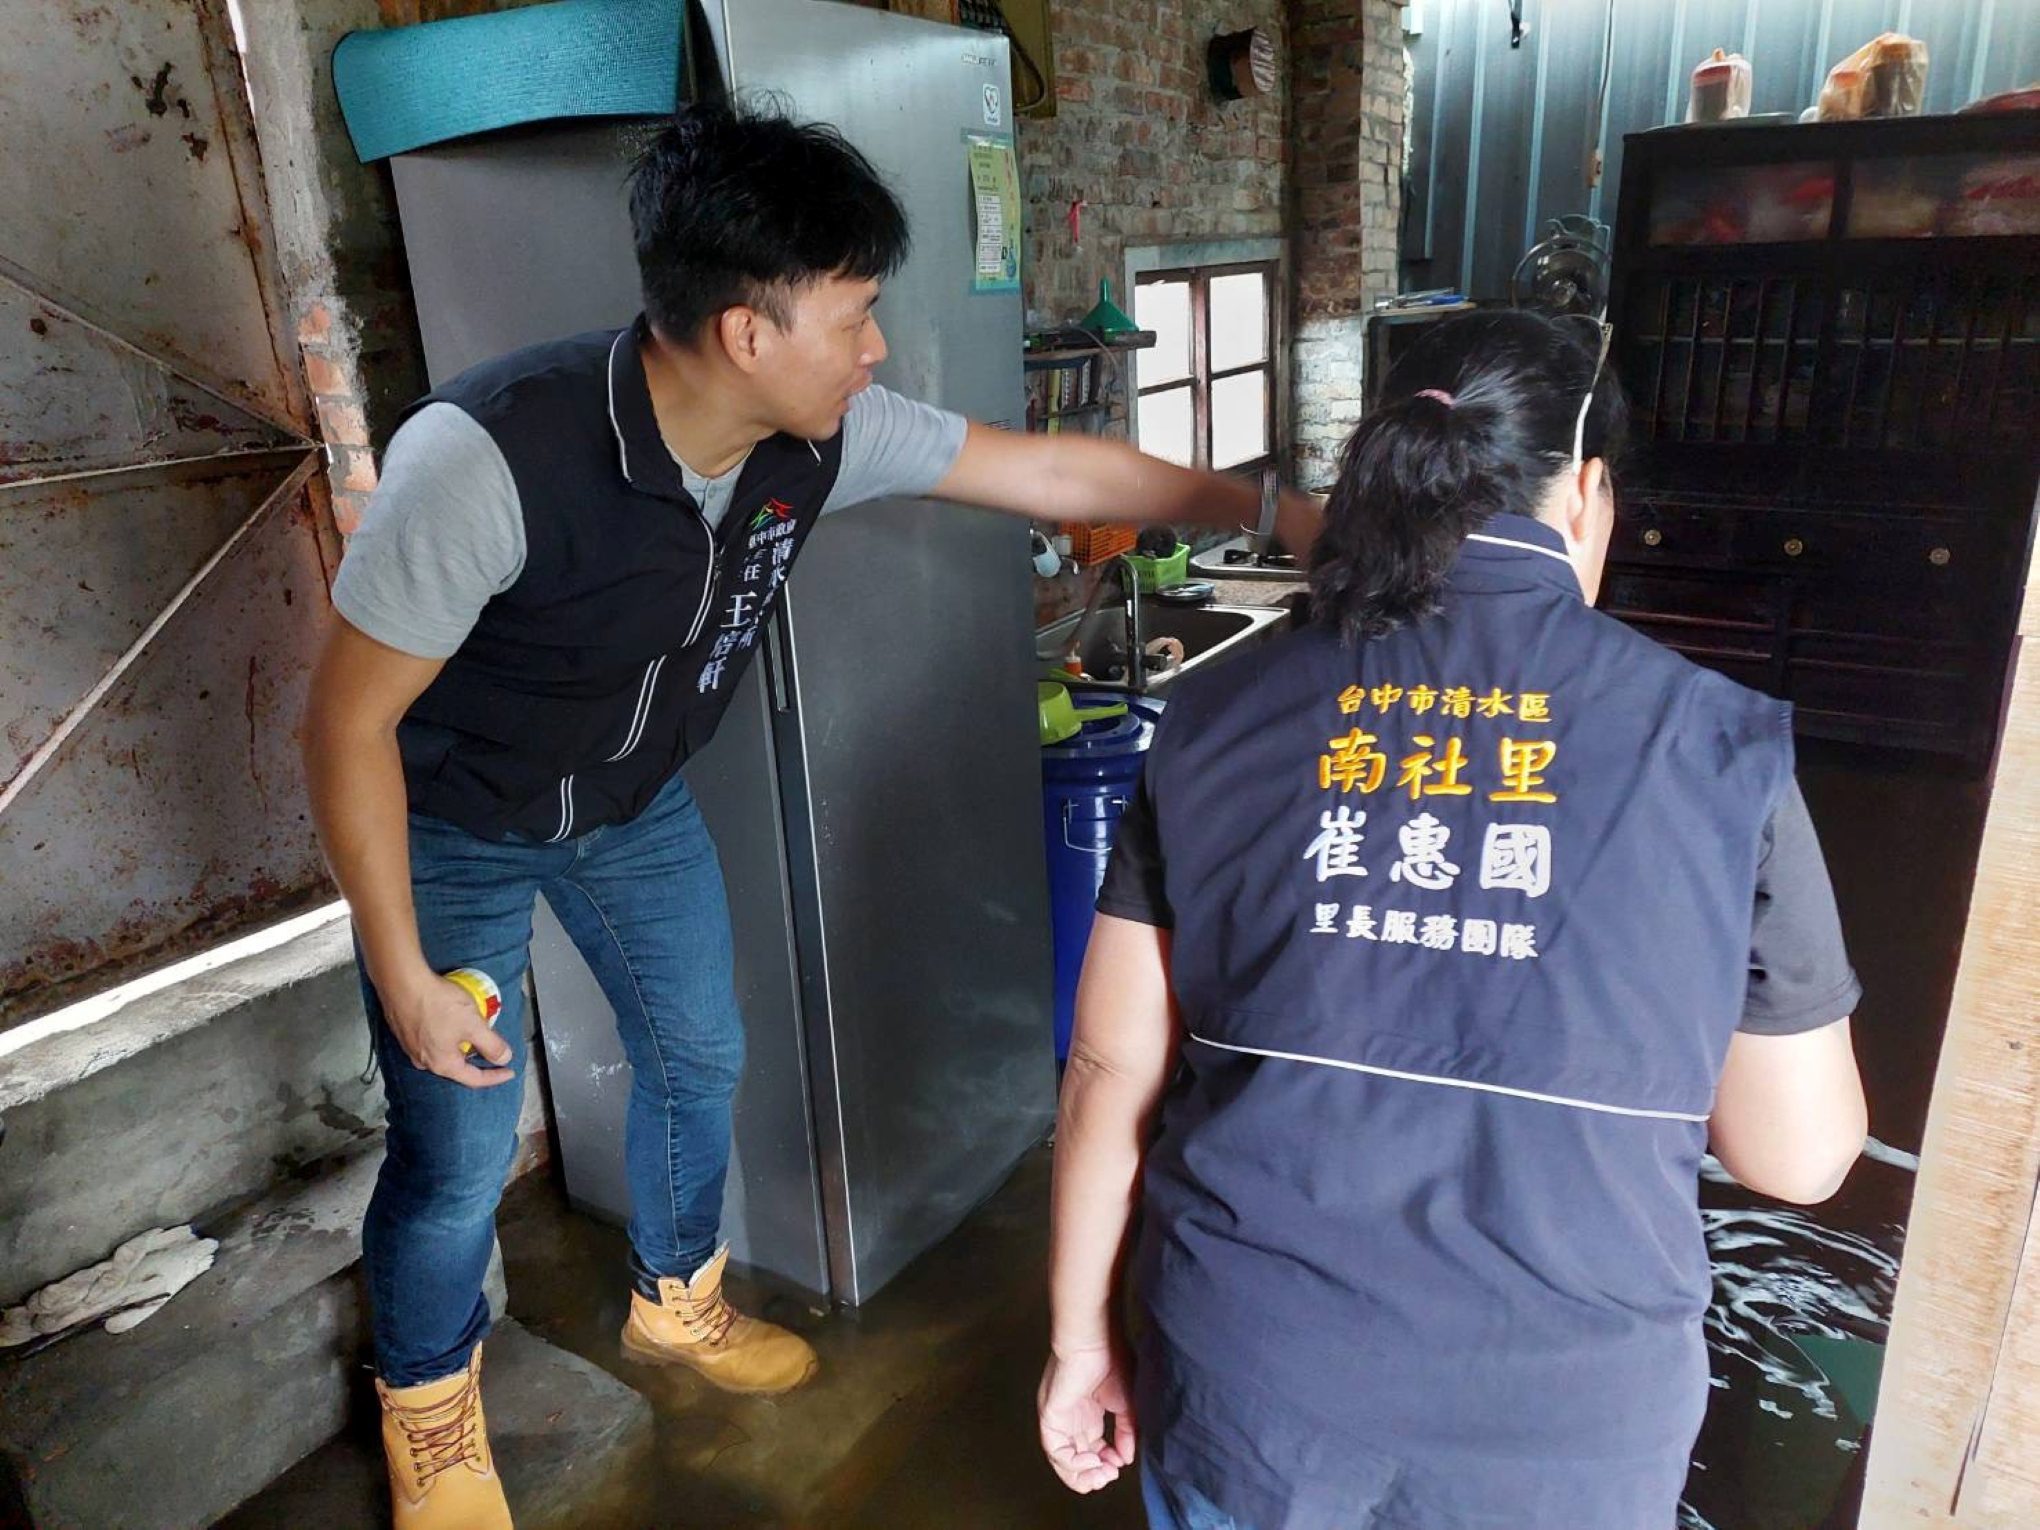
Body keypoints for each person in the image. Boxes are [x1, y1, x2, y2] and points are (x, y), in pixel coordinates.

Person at [300, 101, 1318, 1530]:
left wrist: (1271, 507)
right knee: (456, 1147)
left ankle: (676, 1299)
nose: (877, 346)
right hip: (454, 824)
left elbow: (1044, 470)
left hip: (635, 806)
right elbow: (344, 724)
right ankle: (427, 1399)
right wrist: (403, 968)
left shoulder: (813, 433)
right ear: (745, 332)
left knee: (698, 1053)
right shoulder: (490, 461)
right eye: (854, 314)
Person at [1037, 309, 1868, 1530]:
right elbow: (1797, 1160)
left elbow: (1112, 1064)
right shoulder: (1719, 750)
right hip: (1561, 1438)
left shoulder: (1217, 713)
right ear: (1584, 493)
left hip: (1253, 1392)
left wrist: (1077, 1341)